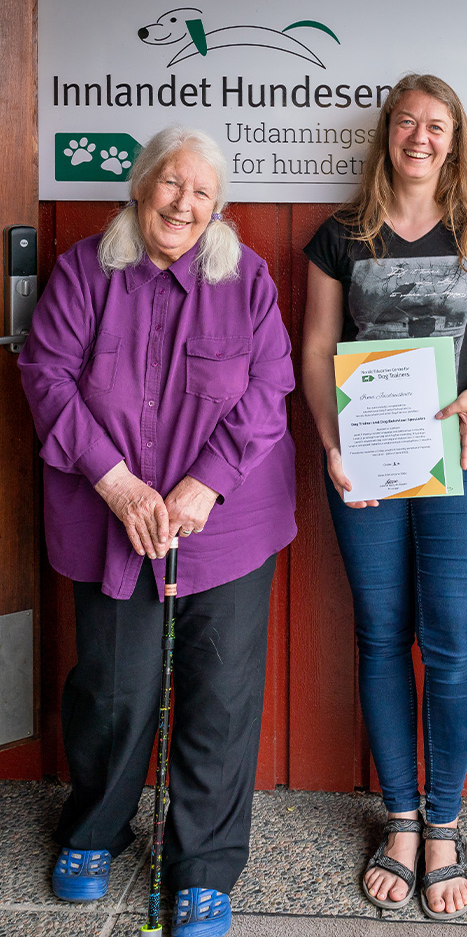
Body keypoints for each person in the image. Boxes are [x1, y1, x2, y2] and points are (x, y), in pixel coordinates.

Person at [19, 126, 296, 937]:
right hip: (112, 515)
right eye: (171, 185)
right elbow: (45, 373)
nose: (184, 203)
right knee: (114, 686)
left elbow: (270, 386)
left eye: (202, 193)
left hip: (225, 517)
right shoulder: (83, 270)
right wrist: (114, 479)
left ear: (219, 209)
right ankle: (96, 828)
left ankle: (202, 867)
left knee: (220, 692)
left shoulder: (246, 278)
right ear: (141, 188)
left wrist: (205, 482)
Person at [302, 73, 467, 920]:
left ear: (455, 138)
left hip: (462, 461)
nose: (420, 136)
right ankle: (399, 817)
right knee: (379, 634)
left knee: (452, 644)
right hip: (364, 465)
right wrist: (331, 445)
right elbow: (317, 349)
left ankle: (444, 822)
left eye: (436, 124)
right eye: (407, 121)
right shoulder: (340, 235)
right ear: (387, 135)